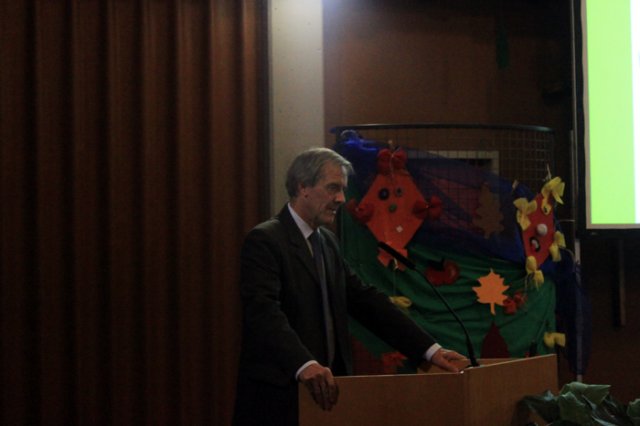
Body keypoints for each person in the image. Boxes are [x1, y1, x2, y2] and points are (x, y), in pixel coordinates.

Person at [233, 147, 465, 426]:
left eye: (342, 189)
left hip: (328, 399)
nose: (341, 198)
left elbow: (365, 301)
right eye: (333, 188)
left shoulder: (327, 242)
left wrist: (430, 350)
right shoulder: (266, 240)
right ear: (302, 186)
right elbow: (263, 313)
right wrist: (304, 364)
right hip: (280, 398)